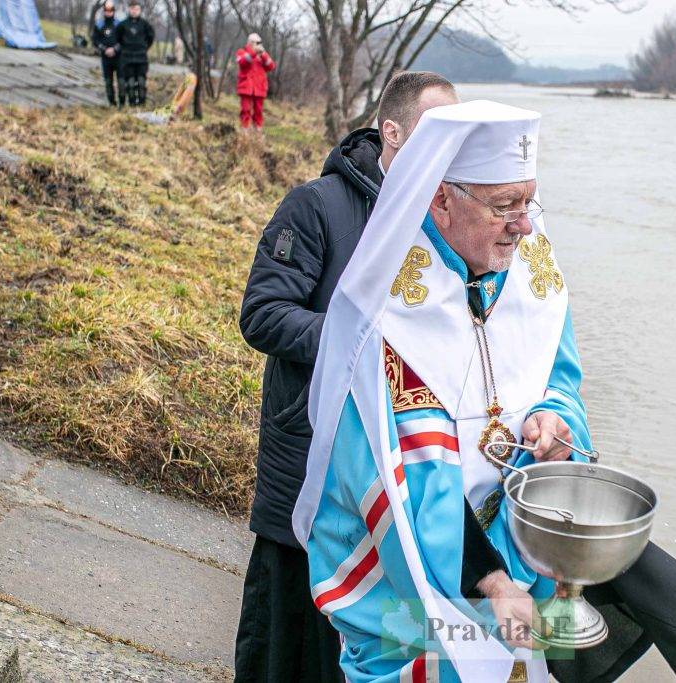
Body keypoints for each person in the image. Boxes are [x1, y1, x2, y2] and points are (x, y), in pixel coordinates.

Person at [292, 100, 676, 682]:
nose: (524, 225)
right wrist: (490, 580)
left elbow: (562, 380)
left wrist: (554, 422)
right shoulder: (387, 313)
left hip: (520, 553)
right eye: (504, 206)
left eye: (529, 201)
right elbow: (394, 480)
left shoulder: (532, 281)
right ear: (441, 198)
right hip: (406, 575)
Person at [234, 71, 460, 682]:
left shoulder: (442, 218)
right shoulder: (316, 206)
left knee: (367, 636)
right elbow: (262, 314)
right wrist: (357, 348)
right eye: (437, 132)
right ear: (392, 132)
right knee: (284, 635)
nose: (451, 148)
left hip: (396, 468)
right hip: (309, 448)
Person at [113, 0, 154, 107]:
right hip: (127, 58)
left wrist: (144, 48)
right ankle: (132, 104)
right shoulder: (122, 25)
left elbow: (150, 38)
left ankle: (142, 104)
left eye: (136, 9)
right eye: (132, 9)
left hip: (141, 58)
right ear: (129, 9)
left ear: (139, 10)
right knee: (130, 83)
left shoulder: (145, 24)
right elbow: (117, 38)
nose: (134, 11)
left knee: (141, 82)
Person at [235, 33, 275, 131]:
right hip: (246, 87)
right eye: (257, 42)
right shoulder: (242, 52)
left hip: (259, 88)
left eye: (259, 43)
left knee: (258, 111)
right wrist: (254, 53)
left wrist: (263, 55)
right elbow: (242, 62)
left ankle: (257, 132)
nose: (258, 45)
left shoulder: (262, 55)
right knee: (245, 110)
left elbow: (271, 66)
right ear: (250, 42)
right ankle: (244, 131)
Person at [91, 1, 122, 106]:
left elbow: (123, 40)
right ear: (104, 11)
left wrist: (115, 49)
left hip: (118, 58)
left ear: (113, 11)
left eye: (110, 10)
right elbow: (95, 40)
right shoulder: (99, 24)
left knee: (121, 81)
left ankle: (121, 103)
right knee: (108, 82)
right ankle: (112, 103)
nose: (108, 12)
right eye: (106, 10)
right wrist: (104, 49)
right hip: (105, 58)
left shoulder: (119, 24)